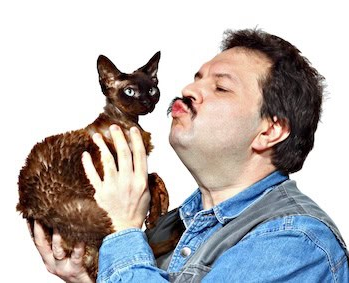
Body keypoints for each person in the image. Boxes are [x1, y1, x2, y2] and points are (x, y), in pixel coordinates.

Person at [32, 28, 349, 282]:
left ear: (270, 131)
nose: (187, 89)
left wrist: (123, 231)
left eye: (221, 88)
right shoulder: (172, 225)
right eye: (196, 79)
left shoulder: (297, 243)